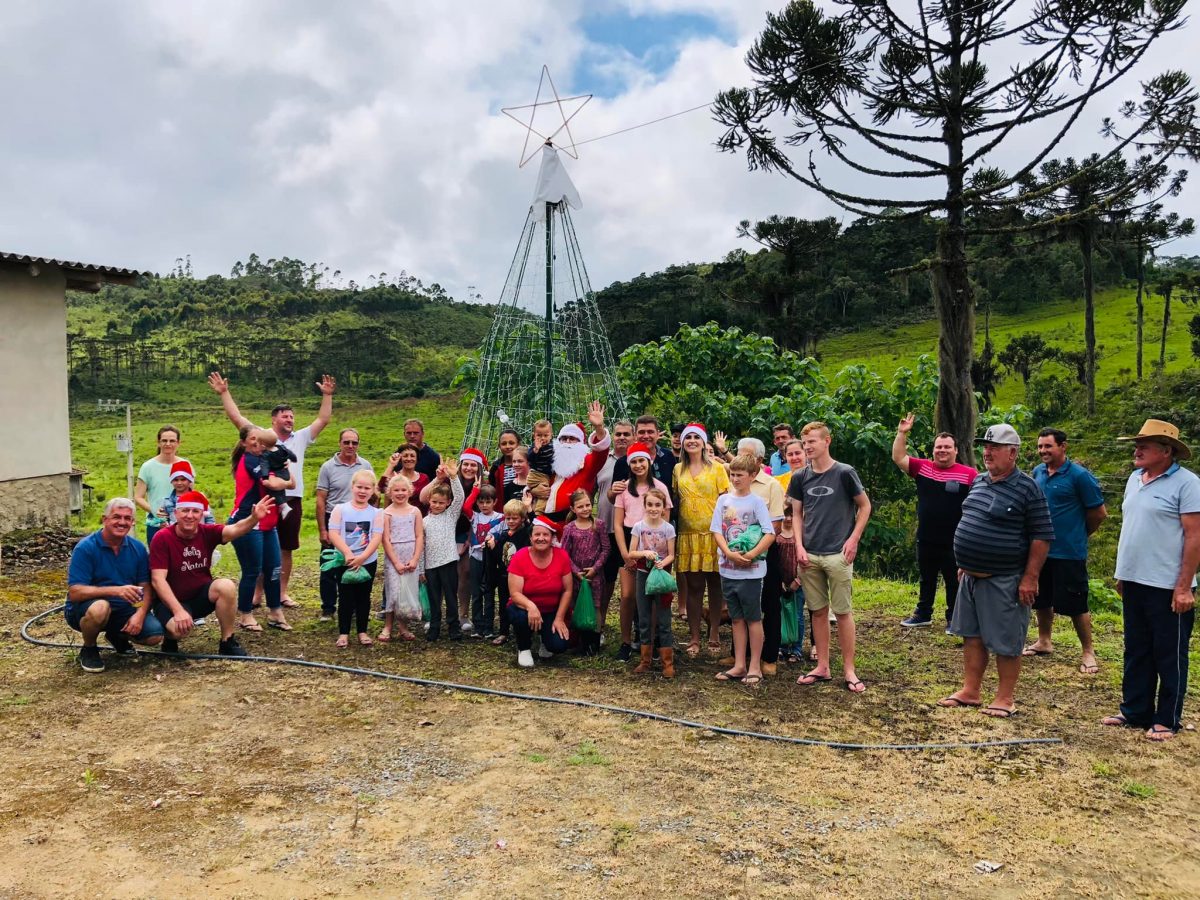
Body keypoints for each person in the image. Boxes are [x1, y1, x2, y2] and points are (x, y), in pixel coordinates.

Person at [940, 423, 1054, 718]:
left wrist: (1030, 577)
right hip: (971, 576)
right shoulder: (979, 481)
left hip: (1005, 578)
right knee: (972, 636)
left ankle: (1004, 698)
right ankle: (971, 691)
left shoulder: (1027, 488)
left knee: (1006, 641)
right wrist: (965, 561)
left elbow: (1041, 536)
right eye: (985, 446)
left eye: (994, 447)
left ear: (1013, 453)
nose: (987, 452)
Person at [1103, 419, 1200, 741]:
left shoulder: (1187, 484)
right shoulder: (1135, 479)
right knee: (1136, 648)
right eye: (1137, 444)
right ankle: (1134, 710)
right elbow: (1132, 529)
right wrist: (1122, 574)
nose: (1137, 449)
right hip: (1134, 580)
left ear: (1167, 450)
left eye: (1144, 445)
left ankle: (1167, 718)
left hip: (1167, 585)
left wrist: (1184, 586)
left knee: (1169, 653)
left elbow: (1194, 536)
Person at [209, 371, 336, 608]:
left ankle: (281, 593)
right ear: (274, 419)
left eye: (292, 417)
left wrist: (327, 396)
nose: (290, 420)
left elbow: (323, 420)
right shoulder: (259, 436)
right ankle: (258, 593)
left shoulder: (300, 437)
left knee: (285, 547)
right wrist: (224, 392)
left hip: (292, 499)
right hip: (264, 499)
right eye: (286, 417)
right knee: (261, 546)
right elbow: (236, 418)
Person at [788, 422, 872, 693]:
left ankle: (849, 670)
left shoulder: (845, 473)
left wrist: (854, 539)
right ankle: (822, 666)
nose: (807, 446)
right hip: (809, 554)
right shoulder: (800, 477)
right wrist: (798, 546)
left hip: (838, 553)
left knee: (843, 612)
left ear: (827, 441)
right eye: (805, 442)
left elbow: (865, 506)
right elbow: (797, 514)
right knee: (818, 611)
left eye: (812, 441)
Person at [148, 490, 274, 657]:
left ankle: (227, 641)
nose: (189, 516)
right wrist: (178, 611)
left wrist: (254, 518)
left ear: (201, 515)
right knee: (178, 631)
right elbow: (158, 580)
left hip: (200, 596)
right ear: (176, 513)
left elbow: (235, 529)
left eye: (195, 511)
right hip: (170, 601)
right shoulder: (162, 537)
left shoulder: (207, 531)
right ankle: (170, 638)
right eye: (185, 511)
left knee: (226, 586)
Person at [1026, 428, 1107, 672]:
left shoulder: (1080, 476)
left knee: (1076, 603)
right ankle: (1044, 640)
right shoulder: (1038, 472)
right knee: (1041, 598)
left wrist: (1079, 535)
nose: (1043, 451)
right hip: (1040, 549)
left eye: (1048, 446)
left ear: (1063, 446)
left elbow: (1098, 513)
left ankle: (1088, 651)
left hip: (1069, 552)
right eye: (1040, 447)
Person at [892, 413, 978, 629]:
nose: (942, 450)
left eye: (947, 447)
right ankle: (923, 614)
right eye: (939, 447)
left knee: (953, 581)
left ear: (956, 450)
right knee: (926, 578)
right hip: (927, 537)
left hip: (956, 540)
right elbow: (898, 457)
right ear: (933, 450)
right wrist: (902, 433)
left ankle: (954, 618)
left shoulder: (969, 475)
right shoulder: (923, 468)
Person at [65, 498, 166, 673]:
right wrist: (116, 591)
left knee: (154, 636)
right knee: (100, 608)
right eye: (116, 517)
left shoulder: (138, 548)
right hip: (86, 609)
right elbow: (75, 592)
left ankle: (116, 635)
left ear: (133, 522)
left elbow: (145, 586)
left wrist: (140, 614)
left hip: (123, 609)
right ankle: (89, 648)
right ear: (105, 519)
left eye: (127, 518)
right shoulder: (86, 548)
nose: (122, 522)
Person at [711, 453, 776, 686]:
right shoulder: (723, 500)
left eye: (740, 475)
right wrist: (728, 553)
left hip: (752, 570)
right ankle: (739, 664)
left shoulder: (757, 502)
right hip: (728, 569)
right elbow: (717, 530)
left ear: (752, 476)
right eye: (732, 475)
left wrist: (750, 555)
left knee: (753, 618)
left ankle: (755, 665)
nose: (735, 479)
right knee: (736, 618)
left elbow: (770, 533)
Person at [725, 436, 787, 676]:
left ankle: (769, 656)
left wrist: (754, 550)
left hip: (765, 553)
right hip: (735, 553)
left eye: (748, 455)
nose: (741, 459)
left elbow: (776, 524)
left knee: (769, 603)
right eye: (739, 453)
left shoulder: (771, 485)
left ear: (760, 460)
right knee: (739, 604)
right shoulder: (733, 482)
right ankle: (738, 654)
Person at [672, 423, 730, 659]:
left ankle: (714, 632)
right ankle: (694, 636)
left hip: (713, 534)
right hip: (688, 535)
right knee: (694, 587)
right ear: (683, 443)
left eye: (697, 437)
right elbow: (676, 498)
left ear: (703, 442)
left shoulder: (717, 468)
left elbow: (726, 501)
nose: (692, 441)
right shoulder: (678, 469)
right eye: (688, 437)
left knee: (716, 585)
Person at [229, 427, 294, 632]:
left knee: (274, 568)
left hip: (267, 523)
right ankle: (245, 614)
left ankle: (275, 612)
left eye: (261, 440)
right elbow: (275, 483)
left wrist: (287, 478)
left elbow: (289, 481)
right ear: (244, 443)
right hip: (247, 522)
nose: (258, 443)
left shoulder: (266, 458)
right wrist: (288, 481)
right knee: (252, 571)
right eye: (253, 440)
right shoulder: (250, 461)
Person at [614, 442, 673, 661]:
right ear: (629, 465)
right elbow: (618, 524)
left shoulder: (659, 487)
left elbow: (665, 523)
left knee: (654, 595)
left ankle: (653, 639)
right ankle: (626, 641)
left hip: (655, 546)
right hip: (631, 543)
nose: (638, 465)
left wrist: (661, 555)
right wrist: (626, 554)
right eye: (634, 462)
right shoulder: (624, 489)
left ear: (649, 462)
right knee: (629, 596)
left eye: (642, 461)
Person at [316, 429, 374, 621]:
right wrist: (322, 529)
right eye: (346, 442)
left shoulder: (365, 465)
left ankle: (355, 605)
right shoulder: (327, 467)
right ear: (339, 443)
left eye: (354, 443)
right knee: (330, 563)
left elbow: (372, 494)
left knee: (356, 562)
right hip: (334, 517)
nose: (350, 446)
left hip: (359, 521)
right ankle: (328, 607)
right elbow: (320, 499)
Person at [506, 516, 575, 668]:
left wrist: (559, 618)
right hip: (524, 608)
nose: (541, 538)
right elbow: (515, 593)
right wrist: (531, 606)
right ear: (530, 537)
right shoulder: (520, 556)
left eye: (545, 535)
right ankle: (523, 648)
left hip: (551, 610)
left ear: (552, 538)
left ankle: (545, 640)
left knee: (559, 645)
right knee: (520, 617)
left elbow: (567, 590)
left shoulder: (561, 556)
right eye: (537, 535)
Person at [326, 471, 385, 648]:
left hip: (367, 561)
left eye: (367, 488)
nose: (362, 491)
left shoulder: (376, 513)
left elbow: (376, 537)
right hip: (345, 561)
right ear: (352, 487)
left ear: (373, 490)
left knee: (363, 597)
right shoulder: (340, 509)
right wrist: (348, 554)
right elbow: (333, 533)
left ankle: (362, 631)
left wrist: (363, 557)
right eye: (359, 487)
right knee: (345, 596)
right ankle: (343, 633)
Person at [628, 488, 677, 677]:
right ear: (645, 506)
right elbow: (631, 552)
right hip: (643, 574)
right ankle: (645, 660)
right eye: (650, 504)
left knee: (664, 618)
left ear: (664, 507)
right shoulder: (639, 527)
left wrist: (661, 563)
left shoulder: (668, 528)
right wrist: (644, 553)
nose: (654, 509)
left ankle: (667, 663)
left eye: (658, 505)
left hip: (661, 576)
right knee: (644, 617)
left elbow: (672, 554)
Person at [541, 402, 610, 527]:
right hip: (547, 526)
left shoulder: (587, 463)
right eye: (564, 438)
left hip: (574, 525)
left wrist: (599, 428)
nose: (567, 442)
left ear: (581, 443)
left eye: (572, 439)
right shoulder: (552, 463)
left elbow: (600, 453)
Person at [422, 461, 468, 641]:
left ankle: (453, 627)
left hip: (448, 561)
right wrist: (420, 569)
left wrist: (454, 476)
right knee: (434, 598)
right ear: (429, 502)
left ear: (448, 503)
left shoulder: (450, 516)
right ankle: (434, 626)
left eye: (441, 502)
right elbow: (421, 545)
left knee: (450, 596)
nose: (437, 505)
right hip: (431, 565)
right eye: (434, 502)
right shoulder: (424, 522)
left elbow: (460, 498)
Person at [596, 420, 634, 638]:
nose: (621, 437)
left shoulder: (639, 461)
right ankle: (600, 625)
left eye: (626, 434)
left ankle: (634, 630)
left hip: (631, 531)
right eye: (618, 434)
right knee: (605, 580)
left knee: (632, 584)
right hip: (605, 528)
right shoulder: (603, 461)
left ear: (633, 436)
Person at [560, 489, 609, 656]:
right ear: (573, 509)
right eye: (580, 506)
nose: (585, 509)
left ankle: (593, 644)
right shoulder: (569, 529)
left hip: (594, 577)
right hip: (577, 578)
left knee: (595, 607)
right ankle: (581, 643)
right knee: (578, 606)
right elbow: (564, 553)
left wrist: (595, 568)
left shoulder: (599, 525)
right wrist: (575, 572)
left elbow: (606, 549)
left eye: (588, 505)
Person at [379, 474, 424, 643]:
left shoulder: (415, 511)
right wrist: (396, 562)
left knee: (407, 591)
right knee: (393, 591)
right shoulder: (387, 513)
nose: (400, 493)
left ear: (409, 491)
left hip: (411, 554)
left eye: (403, 490)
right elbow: (385, 539)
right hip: (394, 557)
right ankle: (388, 625)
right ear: (390, 493)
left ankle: (403, 626)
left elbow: (419, 536)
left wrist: (415, 559)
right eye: (396, 490)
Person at [487, 499, 531, 646]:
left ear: (523, 518)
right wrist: (493, 546)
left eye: (514, 518)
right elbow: (500, 558)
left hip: (521, 577)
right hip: (504, 576)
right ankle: (503, 632)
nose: (511, 521)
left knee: (521, 603)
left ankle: (524, 631)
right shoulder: (504, 535)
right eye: (508, 518)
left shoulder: (526, 535)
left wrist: (529, 506)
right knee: (503, 603)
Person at [134, 425, 184, 544]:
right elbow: (138, 497)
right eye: (164, 440)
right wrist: (154, 510)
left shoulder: (185, 465)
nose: (168, 444)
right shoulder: (147, 467)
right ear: (158, 442)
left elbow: (190, 494)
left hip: (182, 523)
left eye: (172, 440)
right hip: (156, 523)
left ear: (178, 443)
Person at [468, 483, 504, 637]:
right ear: (477, 502)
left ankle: (489, 627)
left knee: (489, 593)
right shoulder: (474, 516)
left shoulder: (500, 518)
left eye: (488, 501)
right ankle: (478, 626)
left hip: (491, 560)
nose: (484, 505)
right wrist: (475, 490)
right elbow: (465, 506)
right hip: (475, 557)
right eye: (481, 501)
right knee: (476, 593)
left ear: (495, 502)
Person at [160, 460, 216, 527]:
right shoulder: (166, 500)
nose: (179, 483)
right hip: (175, 535)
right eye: (176, 480)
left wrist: (208, 533)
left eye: (183, 479)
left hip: (197, 534)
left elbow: (210, 519)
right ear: (171, 481)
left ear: (189, 481)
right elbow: (164, 520)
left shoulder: (199, 497)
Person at [379, 444, 430, 514]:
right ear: (400, 458)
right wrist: (391, 465)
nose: (409, 459)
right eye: (405, 456)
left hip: (419, 517)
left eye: (412, 456)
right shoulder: (394, 477)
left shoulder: (424, 478)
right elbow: (380, 488)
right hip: (396, 516)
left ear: (417, 459)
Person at [488, 428, 521, 494]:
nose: (507, 446)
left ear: (518, 445)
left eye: (511, 443)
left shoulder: (527, 463)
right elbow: (492, 489)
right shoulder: (496, 466)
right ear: (499, 446)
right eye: (504, 444)